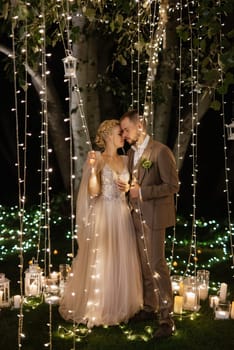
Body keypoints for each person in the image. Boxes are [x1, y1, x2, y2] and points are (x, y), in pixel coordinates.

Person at [59, 119, 143, 328]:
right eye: (117, 133)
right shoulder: (98, 159)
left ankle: (122, 303)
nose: (122, 136)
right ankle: (101, 305)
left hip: (122, 214)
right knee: (103, 257)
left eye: (122, 133)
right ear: (106, 137)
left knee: (121, 256)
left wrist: (130, 187)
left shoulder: (126, 159)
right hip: (104, 213)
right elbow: (93, 192)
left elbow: (133, 185)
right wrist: (93, 168)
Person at [118, 110, 180, 339]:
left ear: (140, 125)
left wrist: (142, 192)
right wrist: (129, 190)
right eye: (122, 131)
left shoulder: (161, 151)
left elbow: (172, 186)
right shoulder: (133, 154)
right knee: (144, 265)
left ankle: (166, 320)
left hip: (155, 217)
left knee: (156, 265)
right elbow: (135, 182)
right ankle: (148, 307)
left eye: (126, 129)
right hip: (136, 215)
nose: (123, 135)